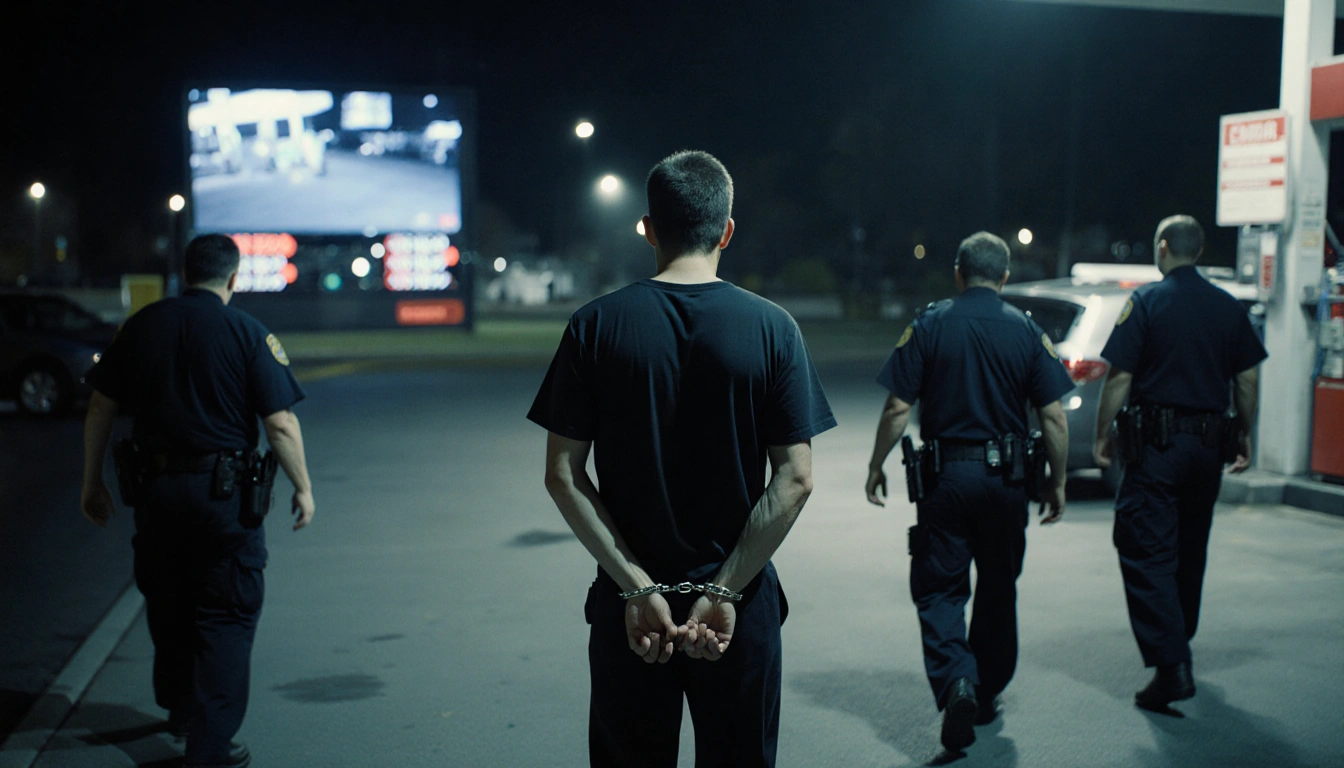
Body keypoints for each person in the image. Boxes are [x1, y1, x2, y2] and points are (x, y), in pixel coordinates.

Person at [528, 150, 835, 768]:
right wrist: (722, 591)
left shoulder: (594, 326)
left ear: (648, 229)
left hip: (632, 609)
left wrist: (636, 583)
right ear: (726, 230)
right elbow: (795, 479)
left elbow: (562, 474)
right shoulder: (774, 329)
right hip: (737, 608)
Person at [80, 233, 315, 768]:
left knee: (170, 603)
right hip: (223, 500)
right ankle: (210, 749)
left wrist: (90, 483)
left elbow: (99, 408)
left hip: (156, 496)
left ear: (183, 273)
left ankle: (182, 710)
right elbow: (279, 422)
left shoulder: (141, 326)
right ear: (233, 278)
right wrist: (303, 487)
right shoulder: (248, 332)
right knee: (226, 615)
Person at [864, 231, 1072, 753]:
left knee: (939, 588)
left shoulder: (930, 324)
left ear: (958, 272)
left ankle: (958, 679)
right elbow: (1052, 417)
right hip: (1007, 485)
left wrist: (876, 466)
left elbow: (896, 408)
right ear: (1004, 276)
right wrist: (1058, 481)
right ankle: (986, 690)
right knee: (999, 585)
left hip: (946, 481)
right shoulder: (1026, 331)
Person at [1093, 214, 1265, 713]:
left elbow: (1120, 377)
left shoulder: (1147, 302)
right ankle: (1179, 644)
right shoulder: (1227, 306)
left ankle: (1172, 668)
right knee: (1191, 550)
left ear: (1164, 247)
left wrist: (1104, 434)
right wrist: (1242, 433)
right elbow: (1248, 381)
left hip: (1158, 450)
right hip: (1207, 450)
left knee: (1145, 547)